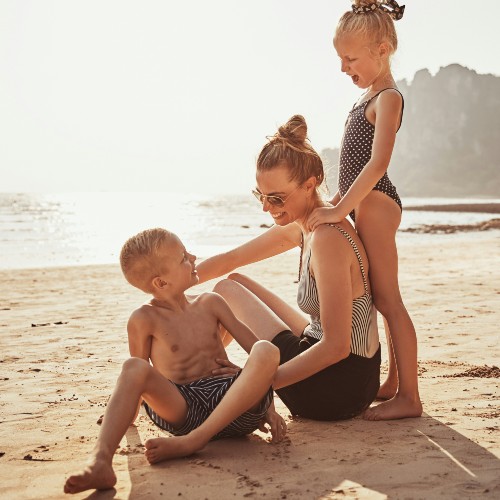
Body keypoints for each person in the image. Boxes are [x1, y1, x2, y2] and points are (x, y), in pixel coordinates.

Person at [64, 228, 284, 495]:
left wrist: (268, 406)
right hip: (185, 408)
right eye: (183, 257)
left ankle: (195, 442)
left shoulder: (211, 302)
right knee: (132, 367)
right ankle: (100, 462)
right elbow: (140, 377)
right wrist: (124, 412)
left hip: (235, 406)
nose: (192, 257)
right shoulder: (144, 319)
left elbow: (260, 360)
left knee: (265, 350)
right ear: (161, 282)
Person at [196, 114, 381, 422]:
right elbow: (231, 259)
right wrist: (173, 282)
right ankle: (209, 373)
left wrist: (257, 384)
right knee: (234, 280)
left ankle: (207, 382)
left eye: (276, 197)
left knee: (225, 291)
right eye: (261, 196)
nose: (267, 207)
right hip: (351, 376)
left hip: (337, 388)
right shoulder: (305, 225)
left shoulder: (327, 239)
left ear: (310, 185)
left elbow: (336, 347)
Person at [307, 0, 422, 420]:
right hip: (360, 203)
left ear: (383, 48)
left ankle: (410, 396)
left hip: (376, 205)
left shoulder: (388, 96)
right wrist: (336, 202)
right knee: (376, 295)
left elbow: (377, 164)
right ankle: (392, 381)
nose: (344, 68)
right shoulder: (366, 97)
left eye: (350, 58)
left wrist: (340, 213)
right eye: (340, 59)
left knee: (389, 300)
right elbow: (352, 166)